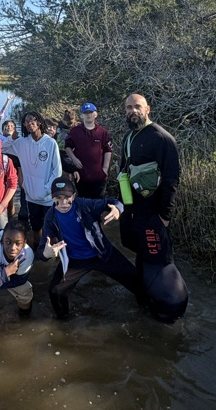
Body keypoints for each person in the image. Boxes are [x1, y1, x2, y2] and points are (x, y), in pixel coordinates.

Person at [118, 93, 188, 320]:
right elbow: (124, 171)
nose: (132, 111)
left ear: (148, 109)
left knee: (157, 259)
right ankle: (143, 304)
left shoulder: (162, 138)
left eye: (137, 106)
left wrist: (165, 216)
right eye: (128, 107)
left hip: (154, 215)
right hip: (134, 213)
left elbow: (171, 180)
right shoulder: (128, 137)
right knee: (141, 257)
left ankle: (167, 309)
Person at [37, 177, 139, 319]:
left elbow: (112, 201)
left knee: (136, 280)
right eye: (58, 198)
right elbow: (41, 251)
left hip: (101, 253)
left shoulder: (84, 205)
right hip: (75, 260)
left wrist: (118, 209)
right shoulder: (50, 216)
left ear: (73, 196)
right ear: (52, 198)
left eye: (67, 197)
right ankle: (64, 321)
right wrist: (47, 253)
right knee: (55, 291)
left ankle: (147, 310)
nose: (63, 203)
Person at [1, 110, 61, 245]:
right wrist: (11, 139)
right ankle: (38, 251)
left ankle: (54, 253)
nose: (29, 123)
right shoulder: (21, 142)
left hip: (47, 197)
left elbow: (57, 171)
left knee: (52, 229)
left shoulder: (50, 143)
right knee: (35, 228)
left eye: (32, 120)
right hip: (31, 196)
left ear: (39, 122)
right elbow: (1, 149)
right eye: (26, 121)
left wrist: (47, 189)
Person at [64, 101, 113, 199]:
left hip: (99, 177)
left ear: (95, 114)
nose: (88, 115)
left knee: (98, 204)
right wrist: (74, 159)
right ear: (81, 115)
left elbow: (108, 150)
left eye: (90, 112)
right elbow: (67, 147)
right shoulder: (75, 131)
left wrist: (105, 169)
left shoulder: (103, 132)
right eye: (85, 113)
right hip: (81, 177)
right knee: (84, 203)